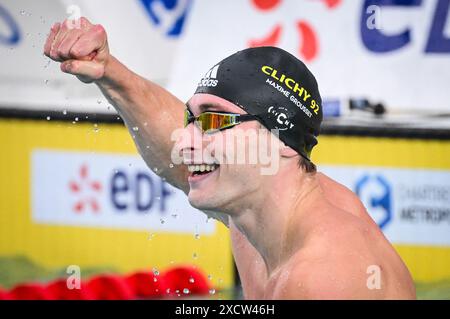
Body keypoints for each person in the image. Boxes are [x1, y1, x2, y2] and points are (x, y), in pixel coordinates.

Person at [43, 18, 416, 299]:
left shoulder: (327, 277)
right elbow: (174, 141)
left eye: (212, 120)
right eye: (191, 119)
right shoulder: (255, 202)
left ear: (278, 139)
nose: (183, 140)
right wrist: (109, 71)